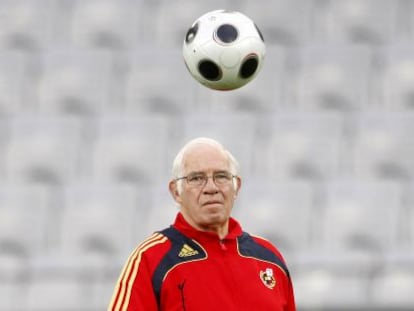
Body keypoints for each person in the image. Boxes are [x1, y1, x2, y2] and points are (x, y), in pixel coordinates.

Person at [108, 137, 296, 311]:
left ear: (236, 186)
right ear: (176, 191)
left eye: (221, 176)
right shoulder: (151, 259)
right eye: (196, 178)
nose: (211, 188)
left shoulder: (269, 258)